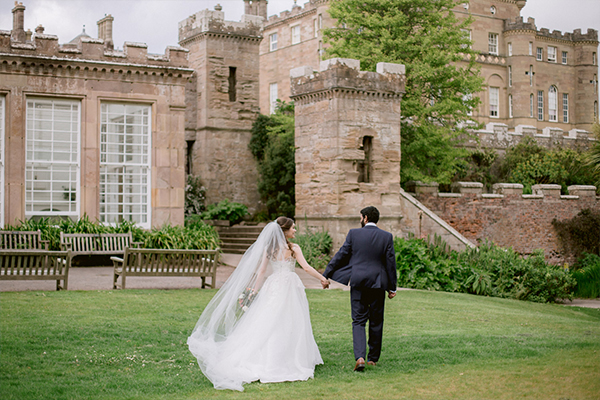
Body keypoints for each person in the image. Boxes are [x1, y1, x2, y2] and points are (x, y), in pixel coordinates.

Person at [188, 217, 330, 391]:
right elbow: (306, 268)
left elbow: (262, 271)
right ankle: (284, 359)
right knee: (289, 320)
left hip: (274, 285)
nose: (295, 230)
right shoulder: (293, 248)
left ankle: (272, 355)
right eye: (293, 228)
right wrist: (323, 279)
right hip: (289, 286)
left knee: (269, 319)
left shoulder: (269, 248)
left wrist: (254, 292)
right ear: (284, 231)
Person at [324, 206, 397, 372]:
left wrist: (326, 274)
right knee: (376, 321)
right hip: (378, 284)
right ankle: (372, 359)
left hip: (358, 282)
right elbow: (390, 263)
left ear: (364, 218)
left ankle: (360, 357)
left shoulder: (354, 234)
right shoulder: (386, 236)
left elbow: (341, 255)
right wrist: (392, 287)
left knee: (358, 320)